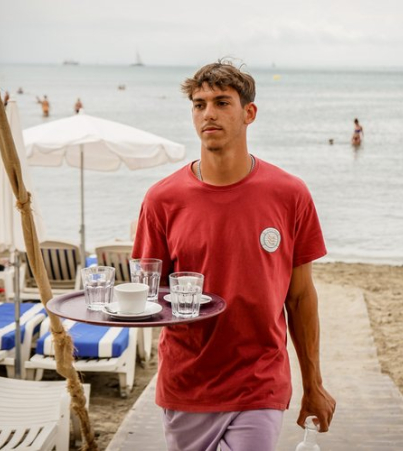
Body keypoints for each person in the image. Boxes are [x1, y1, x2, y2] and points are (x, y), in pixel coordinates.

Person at [132, 60, 336, 451]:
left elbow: (300, 296)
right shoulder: (162, 199)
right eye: (199, 104)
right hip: (186, 384)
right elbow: (149, 296)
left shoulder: (290, 194)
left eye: (222, 102)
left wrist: (314, 385)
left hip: (259, 380)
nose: (208, 113)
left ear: (249, 113)